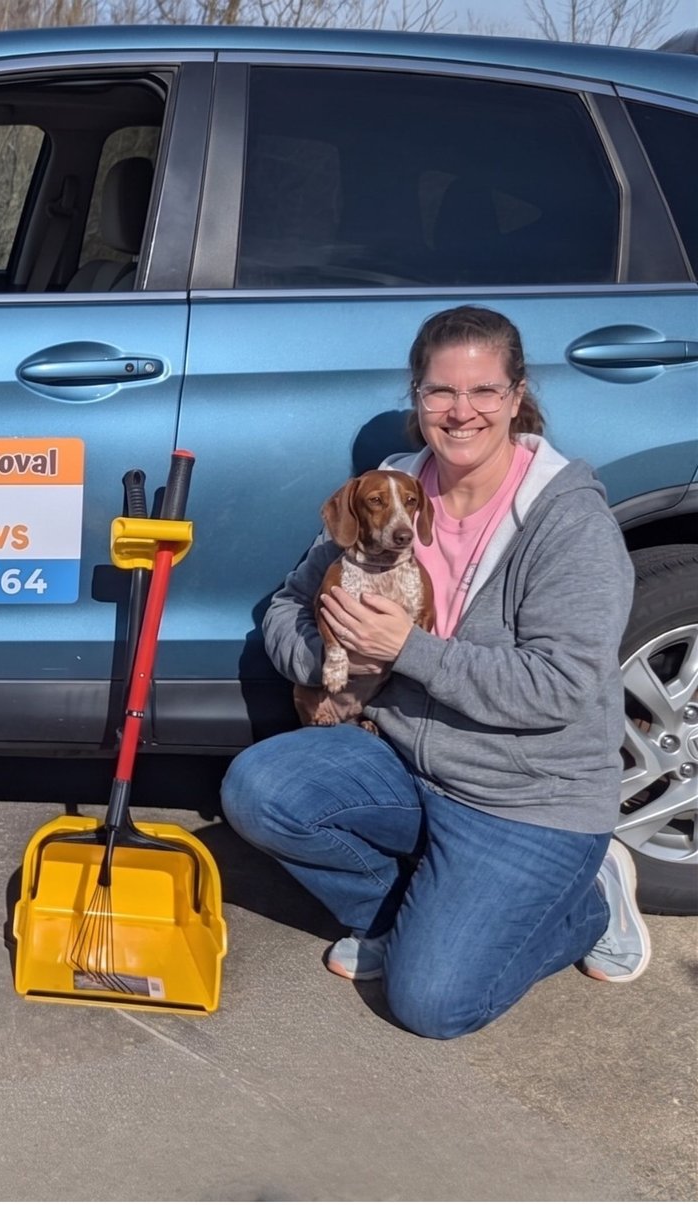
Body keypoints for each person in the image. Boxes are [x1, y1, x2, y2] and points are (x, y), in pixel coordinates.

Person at [220, 304, 649, 1039]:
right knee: (259, 789)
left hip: (524, 793)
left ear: (516, 397)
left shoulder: (565, 520)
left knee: (433, 1003)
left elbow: (559, 685)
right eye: (439, 392)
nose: (461, 412)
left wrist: (407, 652)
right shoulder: (390, 488)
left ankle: (588, 899)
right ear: (416, 399)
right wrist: (329, 660)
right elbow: (289, 603)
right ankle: (410, 912)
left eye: (484, 391)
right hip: (402, 755)